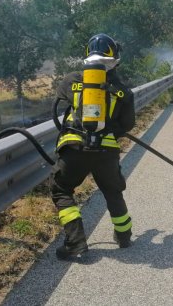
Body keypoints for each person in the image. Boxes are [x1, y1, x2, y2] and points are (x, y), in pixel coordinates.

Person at [50, 33, 135, 260]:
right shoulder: (123, 91)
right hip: (106, 152)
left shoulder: (70, 80)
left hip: (74, 148)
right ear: (115, 58)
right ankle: (124, 236)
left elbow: (59, 105)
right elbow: (128, 125)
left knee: (62, 189)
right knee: (112, 191)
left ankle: (75, 244)